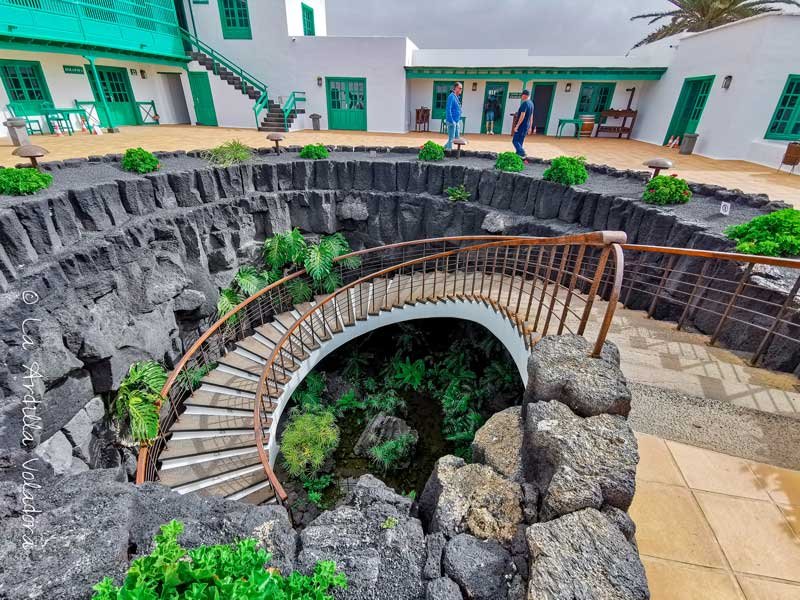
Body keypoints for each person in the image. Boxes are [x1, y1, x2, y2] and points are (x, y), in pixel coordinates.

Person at [512, 89, 534, 159]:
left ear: (524, 95)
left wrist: (517, 126)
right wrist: (530, 127)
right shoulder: (531, 103)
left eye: (522, 95)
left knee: (515, 141)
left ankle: (522, 152)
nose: (521, 97)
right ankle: (518, 156)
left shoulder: (525, 104)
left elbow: (522, 115)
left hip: (521, 125)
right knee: (520, 141)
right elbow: (531, 116)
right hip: (526, 126)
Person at [444, 82, 463, 150]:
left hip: (456, 121)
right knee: (451, 138)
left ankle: (443, 148)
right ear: (455, 88)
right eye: (460, 88)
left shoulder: (456, 97)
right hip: (452, 121)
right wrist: (452, 121)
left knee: (456, 138)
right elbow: (448, 109)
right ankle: (448, 151)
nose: (461, 89)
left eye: (461, 88)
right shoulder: (451, 96)